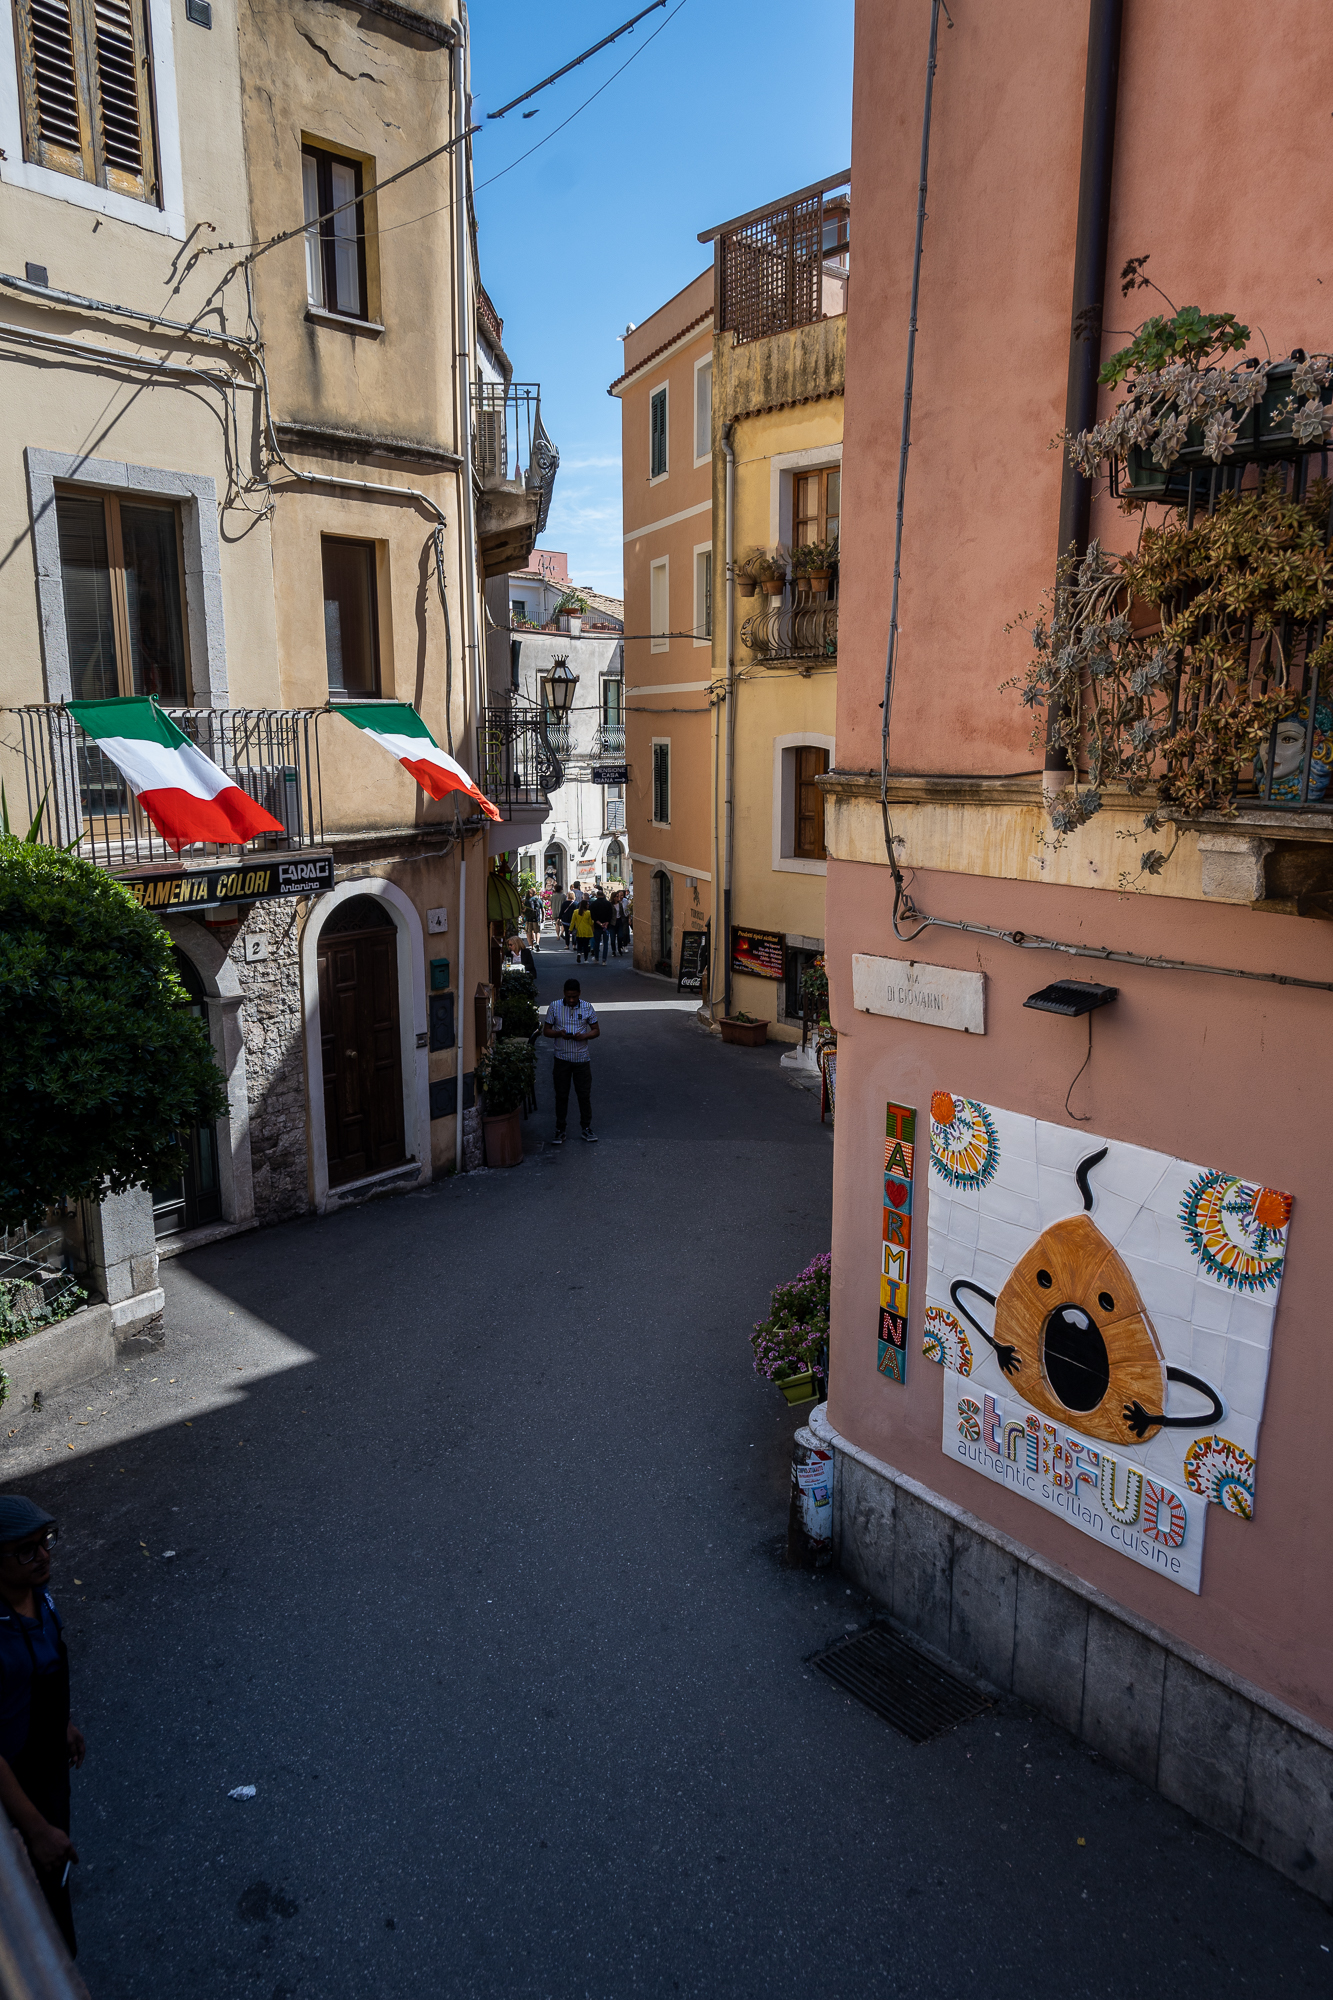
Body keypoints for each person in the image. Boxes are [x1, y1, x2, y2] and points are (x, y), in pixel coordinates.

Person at [0, 1497, 84, 1959]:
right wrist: (35, 1829)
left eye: (45, 1542)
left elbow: (44, 1667)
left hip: (45, 1757)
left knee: (54, 1883)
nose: (44, 1556)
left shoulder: (38, 1593)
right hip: (14, 1785)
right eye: (26, 1550)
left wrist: (61, 1722)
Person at [542, 977, 599, 1142]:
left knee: (584, 1095)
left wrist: (584, 1036)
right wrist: (559, 1033)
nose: (571, 1000)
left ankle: (586, 1128)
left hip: (582, 1059)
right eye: (568, 997)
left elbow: (596, 1030)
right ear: (564, 994)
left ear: (579, 993)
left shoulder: (588, 1007)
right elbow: (546, 1030)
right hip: (561, 1058)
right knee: (561, 1095)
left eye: (574, 996)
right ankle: (560, 1129)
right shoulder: (554, 1007)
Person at [590, 886, 613, 963]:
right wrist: (606, 923)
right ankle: (604, 960)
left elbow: (593, 916)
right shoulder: (608, 904)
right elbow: (610, 914)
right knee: (605, 943)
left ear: (597, 895)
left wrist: (600, 923)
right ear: (603, 895)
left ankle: (596, 958)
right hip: (606, 926)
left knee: (596, 942)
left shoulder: (593, 904)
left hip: (597, 926)